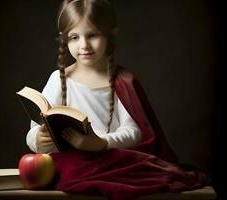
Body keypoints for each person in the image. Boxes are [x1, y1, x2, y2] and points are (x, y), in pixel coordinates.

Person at [25, 0, 210, 199]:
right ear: (64, 39)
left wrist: (100, 144)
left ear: (111, 34)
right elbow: (35, 128)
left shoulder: (123, 81)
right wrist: (39, 137)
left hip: (112, 158)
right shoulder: (58, 79)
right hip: (74, 161)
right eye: (74, 37)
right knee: (70, 168)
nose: (84, 45)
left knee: (132, 168)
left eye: (93, 35)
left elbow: (134, 132)